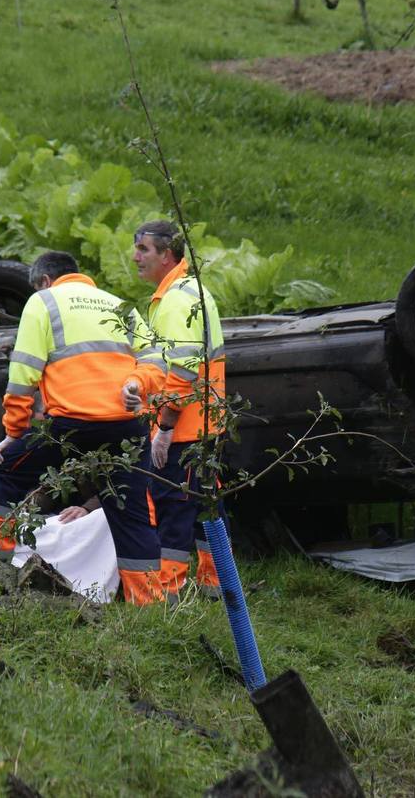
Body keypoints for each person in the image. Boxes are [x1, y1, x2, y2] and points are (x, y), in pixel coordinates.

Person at [0, 251, 165, 605]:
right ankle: (150, 604)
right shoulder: (118, 304)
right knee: (132, 509)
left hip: (71, 424)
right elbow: (156, 361)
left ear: (45, 281)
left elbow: (22, 376)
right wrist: (137, 384)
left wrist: (13, 434)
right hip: (128, 425)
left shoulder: (42, 302)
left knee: (2, 475)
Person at [124, 220, 226, 599]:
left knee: (172, 510)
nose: (136, 256)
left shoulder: (176, 301)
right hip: (207, 426)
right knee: (206, 508)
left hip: (185, 428)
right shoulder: (191, 291)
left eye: (144, 249)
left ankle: (167, 595)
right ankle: (217, 587)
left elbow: (181, 372)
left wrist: (164, 427)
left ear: (167, 255)